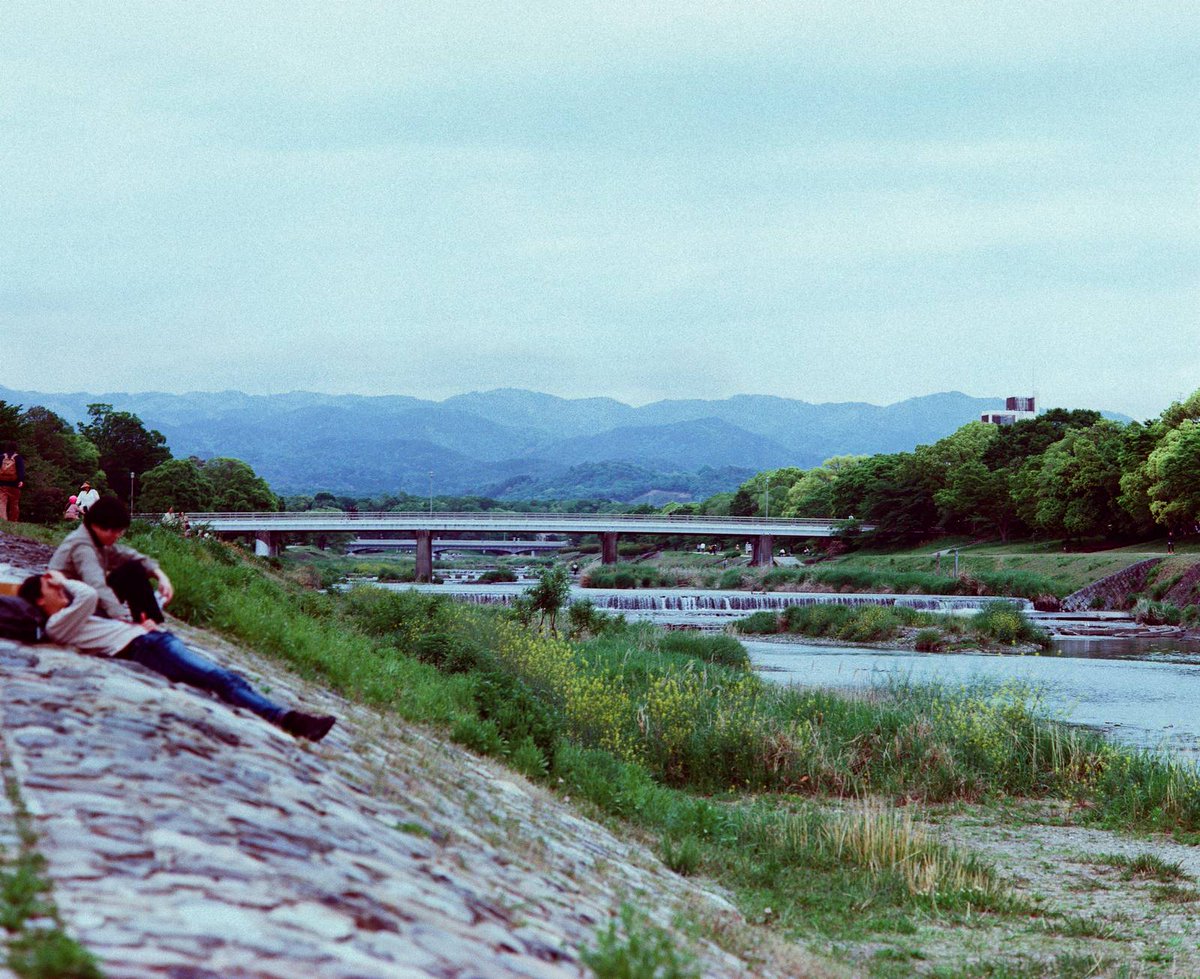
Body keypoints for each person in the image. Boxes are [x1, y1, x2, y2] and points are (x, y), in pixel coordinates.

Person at [18, 571, 335, 741]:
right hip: (147, 648)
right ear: (39, 601)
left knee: (224, 678)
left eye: (56, 588)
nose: (59, 592)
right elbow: (87, 594)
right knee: (218, 679)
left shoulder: (68, 618)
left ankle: (286, 717)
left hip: (152, 640)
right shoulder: (58, 624)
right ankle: (288, 720)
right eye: (51, 591)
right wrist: (62, 579)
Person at [50, 496, 174, 623]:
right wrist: (122, 618)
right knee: (131, 571)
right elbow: (96, 585)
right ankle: (146, 625)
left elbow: (128, 555)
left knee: (132, 567)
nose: (118, 536)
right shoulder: (82, 547)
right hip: (70, 605)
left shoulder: (93, 539)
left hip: (83, 598)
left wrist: (160, 576)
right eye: (117, 532)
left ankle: (149, 621)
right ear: (100, 527)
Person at [0, 442, 26, 522]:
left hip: (2, 483)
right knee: (14, 503)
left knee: (1, 502)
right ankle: (13, 521)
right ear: (16, 448)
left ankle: (3, 520)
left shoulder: (1, 457)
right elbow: (21, 469)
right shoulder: (18, 457)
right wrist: (21, 480)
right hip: (14, 484)